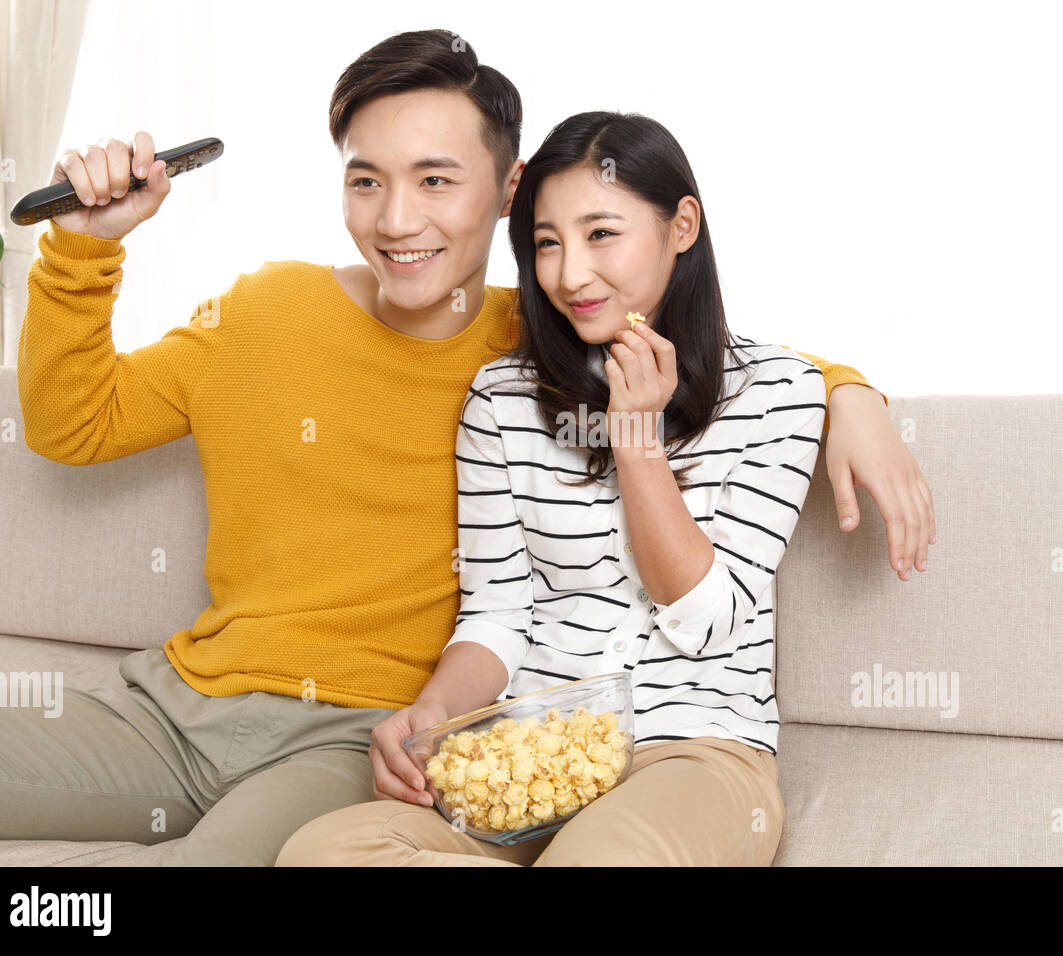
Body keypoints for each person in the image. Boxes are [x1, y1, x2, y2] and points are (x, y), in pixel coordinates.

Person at [0, 30, 932, 866]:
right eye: (366, 180)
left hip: (358, 739)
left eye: (435, 180)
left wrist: (851, 395)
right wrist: (87, 246)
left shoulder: (545, 337)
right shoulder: (271, 313)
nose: (396, 220)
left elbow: (709, 352)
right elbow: (71, 425)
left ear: (507, 189)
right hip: (178, 704)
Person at [276, 110, 853, 865]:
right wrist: (435, 713)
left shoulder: (783, 392)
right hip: (532, 756)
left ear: (682, 225)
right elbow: (499, 612)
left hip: (694, 755)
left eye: (601, 233)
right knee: (319, 855)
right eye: (547, 243)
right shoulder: (502, 398)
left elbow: (708, 623)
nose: (570, 274)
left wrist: (636, 441)